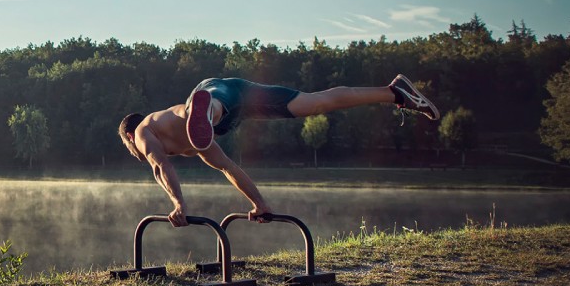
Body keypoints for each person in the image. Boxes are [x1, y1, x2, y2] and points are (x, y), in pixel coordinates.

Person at [118, 74, 439, 226]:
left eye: (128, 146)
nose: (135, 150)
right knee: (316, 102)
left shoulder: (144, 130)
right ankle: (394, 93)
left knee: (203, 109)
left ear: (129, 138)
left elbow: (160, 167)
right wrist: (260, 203)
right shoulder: (194, 144)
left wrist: (178, 205)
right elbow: (229, 168)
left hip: (212, 93)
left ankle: (208, 110)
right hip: (242, 100)